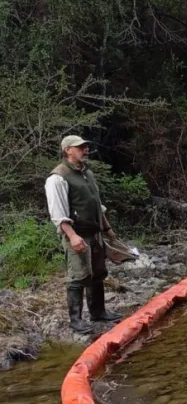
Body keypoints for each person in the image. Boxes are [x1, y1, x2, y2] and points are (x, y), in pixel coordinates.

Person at [45, 135, 123, 334]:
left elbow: (98, 205)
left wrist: (107, 228)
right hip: (77, 234)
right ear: (67, 151)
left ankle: (98, 312)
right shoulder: (57, 177)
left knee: (98, 273)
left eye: (86, 146)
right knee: (78, 276)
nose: (85, 149)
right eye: (80, 147)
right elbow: (58, 214)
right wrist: (72, 236)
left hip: (95, 232)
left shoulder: (87, 173)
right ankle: (76, 320)